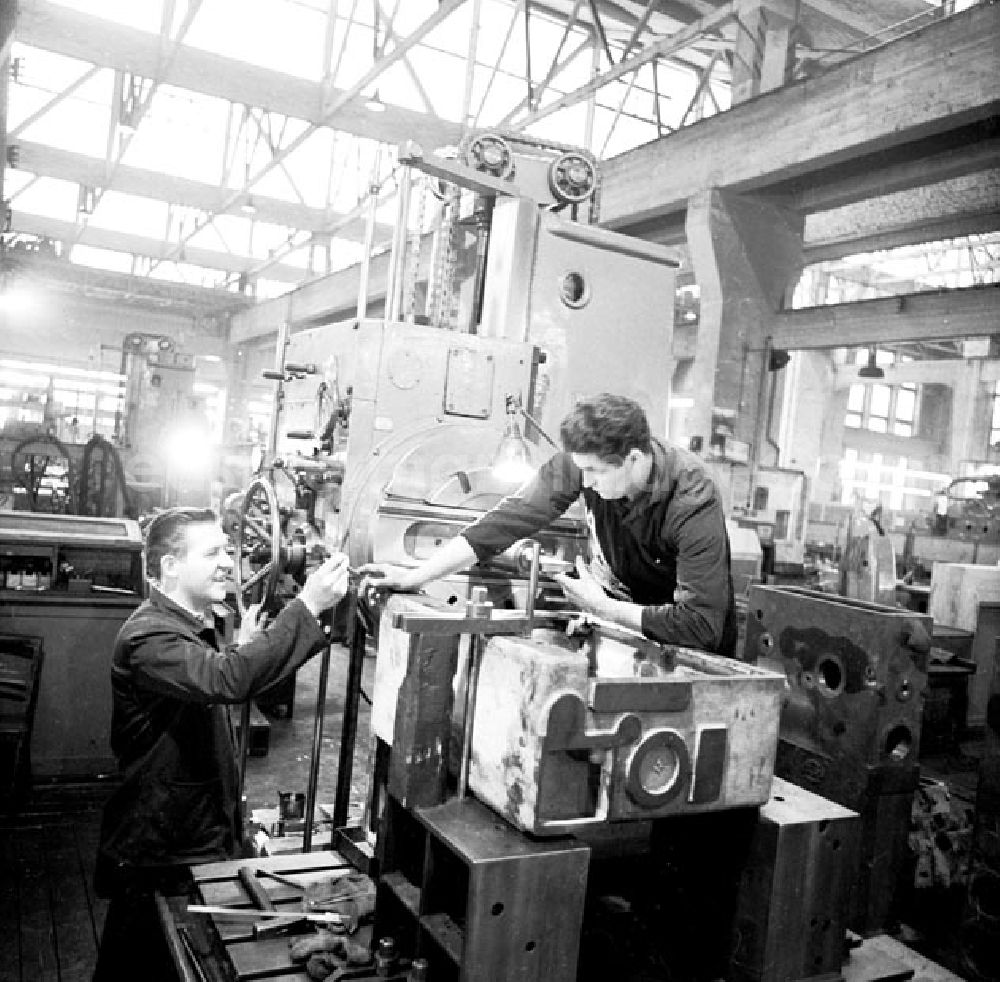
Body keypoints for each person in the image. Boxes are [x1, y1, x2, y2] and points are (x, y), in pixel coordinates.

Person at [92, 506, 350, 982]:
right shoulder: (147, 637)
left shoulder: (186, 626)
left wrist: (243, 648)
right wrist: (307, 605)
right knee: (140, 963)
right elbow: (224, 679)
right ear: (170, 565)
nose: (228, 562)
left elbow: (221, 675)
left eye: (227, 550)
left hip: (193, 831)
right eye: (212, 552)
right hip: (161, 846)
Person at [362, 392, 736, 657]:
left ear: (634, 459)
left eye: (594, 473)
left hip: (690, 651)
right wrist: (417, 576)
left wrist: (603, 607)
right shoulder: (582, 462)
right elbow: (505, 522)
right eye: (581, 469)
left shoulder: (692, 500)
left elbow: (699, 626)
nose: (584, 484)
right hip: (623, 624)